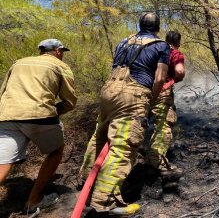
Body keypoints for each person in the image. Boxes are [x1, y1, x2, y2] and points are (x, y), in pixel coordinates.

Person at [79, 12, 169, 216]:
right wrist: (150, 100)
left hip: (108, 91)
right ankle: (105, 201)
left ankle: (86, 182)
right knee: (123, 146)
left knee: (99, 138)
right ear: (158, 28)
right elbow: (160, 77)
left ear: (140, 25)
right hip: (133, 95)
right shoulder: (160, 45)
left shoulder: (123, 42)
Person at [0, 39, 77, 213]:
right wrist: (56, 111)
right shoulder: (60, 66)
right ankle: (34, 201)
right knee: (56, 151)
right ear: (57, 51)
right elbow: (70, 100)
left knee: (3, 161)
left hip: (7, 115)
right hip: (40, 115)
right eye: (62, 51)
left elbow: (3, 90)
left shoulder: (18, 63)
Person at [146, 31, 185, 189]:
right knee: (163, 127)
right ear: (178, 42)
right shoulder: (174, 53)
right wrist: (175, 80)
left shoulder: (153, 50)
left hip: (142, 91)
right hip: (161, 92)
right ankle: (154, 164)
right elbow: (180, 71)